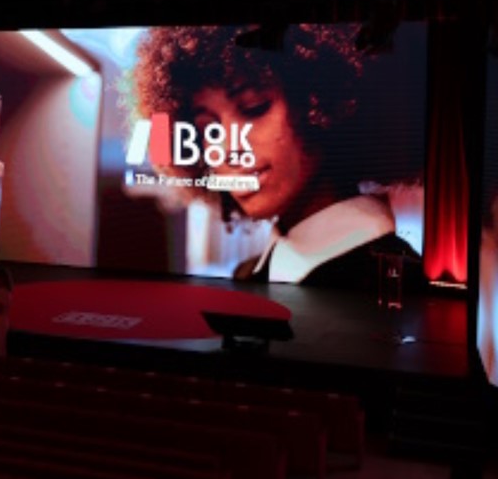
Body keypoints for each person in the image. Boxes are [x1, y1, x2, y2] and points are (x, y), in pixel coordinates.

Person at [127, 24, 421, 288]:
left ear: (321, 102)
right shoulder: (250, 274)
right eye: (208, 128)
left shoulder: (398, 286)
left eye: (254, 108)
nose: (227, 149)